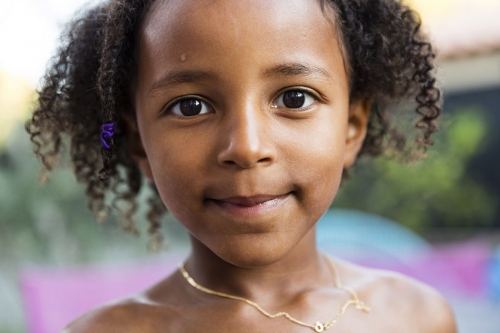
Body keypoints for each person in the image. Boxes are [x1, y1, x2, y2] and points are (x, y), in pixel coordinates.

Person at [26, 0, 457, 332]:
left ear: (351, 126)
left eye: (294, 98)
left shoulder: (415, 316)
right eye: (190, 106)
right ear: (139, 141)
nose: (247, 147)